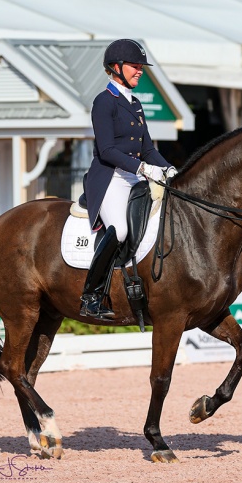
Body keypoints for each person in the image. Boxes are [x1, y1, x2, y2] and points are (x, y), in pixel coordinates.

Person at [80, 39, 177, 319]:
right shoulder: (103, 102)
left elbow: (148, 149)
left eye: (140, 67)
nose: (140, 71)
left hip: (135, 177)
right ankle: (91, 296)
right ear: (116, 67)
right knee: (120, 231)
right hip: (111, 179)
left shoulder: (135, 103)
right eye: (135, 66)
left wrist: (170, 169)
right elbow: (107, 150)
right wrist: (143, 169)